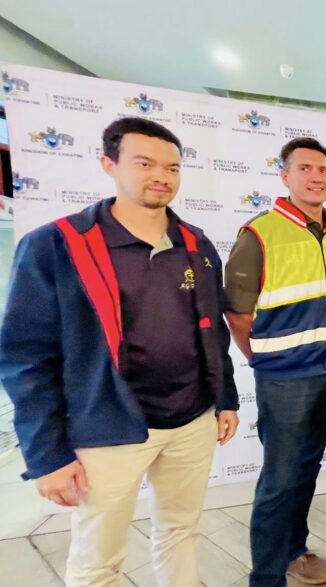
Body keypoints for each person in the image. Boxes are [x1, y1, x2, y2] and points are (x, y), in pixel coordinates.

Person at [0, 117, 239, 586]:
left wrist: (225, 397)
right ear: (109, 164)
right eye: (145, 163)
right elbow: (25, 357)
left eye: (172, 167)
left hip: (191, 420)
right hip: (107, 427)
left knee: (180, 531)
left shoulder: (196, 243)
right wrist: (45, 454)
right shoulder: (55, 245)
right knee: (97, 562)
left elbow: (212, 331)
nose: (161, 176)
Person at [224, 137, 326, 586]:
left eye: (323, 170)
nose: (315, 177)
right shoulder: (260, 232)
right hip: (286, 379)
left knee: (307, 470)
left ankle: (295, 550)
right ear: (284, 176)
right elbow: (238, 312)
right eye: (304, 169)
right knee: (280, 480)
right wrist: (263, 359)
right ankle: (265, 577)